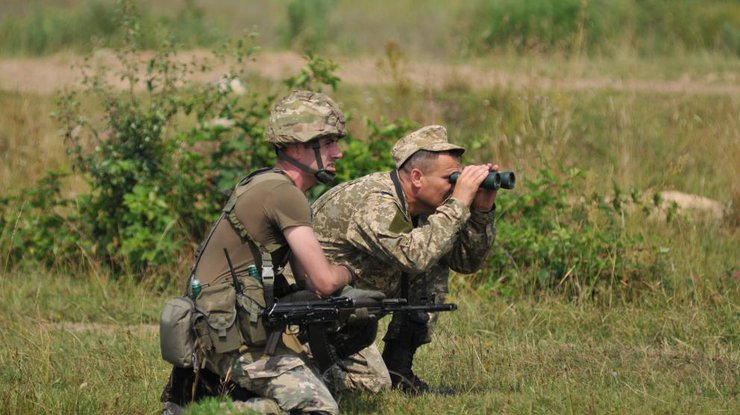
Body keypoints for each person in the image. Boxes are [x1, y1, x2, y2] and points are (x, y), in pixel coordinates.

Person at [161, 90, 354, 415]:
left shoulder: (266, 184)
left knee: (323, 380)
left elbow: (306, 281)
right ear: (296, 145)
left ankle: (213, 398)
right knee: (320, 409)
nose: (338, 153)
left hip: (214, 331)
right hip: (230, 338)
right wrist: (351, 272)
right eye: (328, 142)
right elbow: (322, 281)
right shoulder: (283, 193)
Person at [311, 124, 498, 394]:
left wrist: (482, 209)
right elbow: (414, 257)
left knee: (434, 257)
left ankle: (399, 367)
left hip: (358, 301)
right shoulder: (375, 201)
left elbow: (465, 262)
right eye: (451, 179)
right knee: (372, 384)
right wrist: (458, 203)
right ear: (417, 177)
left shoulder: (422, 206)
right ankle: (307, 371)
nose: (455, 187)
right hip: (318, 311)